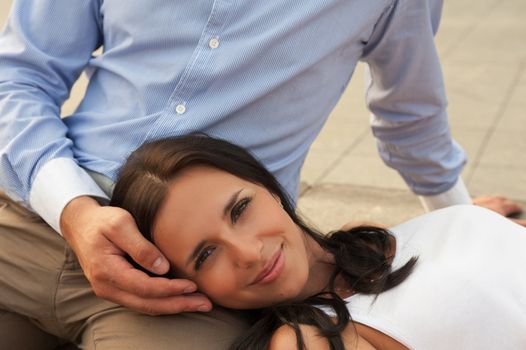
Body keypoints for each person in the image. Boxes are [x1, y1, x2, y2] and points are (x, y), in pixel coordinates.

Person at [0, 0, 523, 348]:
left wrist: (455, 226)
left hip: (188, 283)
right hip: (30, 208)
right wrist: (73, 209)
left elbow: (412, 113)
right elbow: (17, 75)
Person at [111, 134, 526, 350]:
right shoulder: (307, 340)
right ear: (186, 284)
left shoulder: (369, 238)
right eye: (205, 254)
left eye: (240, 210)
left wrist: (463, 217)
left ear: (270, 189)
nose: (249, 253)